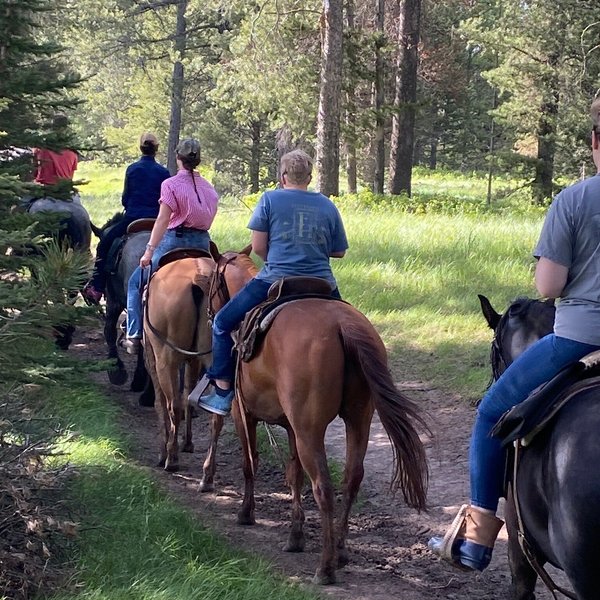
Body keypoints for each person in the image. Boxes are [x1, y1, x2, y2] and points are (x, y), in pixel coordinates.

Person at [428, 97, 600, 572]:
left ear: (593, 142)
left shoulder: (575, 200)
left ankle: (479, 537)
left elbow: (548, 287)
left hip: (578, 340)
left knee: (490, 412)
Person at [197, 148, 349, 416]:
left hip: (275, 280)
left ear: (283, 176)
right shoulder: (327, 204)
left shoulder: (269, 200)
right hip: (321, 282)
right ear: (310, 177)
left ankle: (222, 392)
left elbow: (258, 248)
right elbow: (339, 251)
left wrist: (279, 257)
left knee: (221, 323)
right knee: (348, 329)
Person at [121, 138, 219, 354]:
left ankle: (134, 333)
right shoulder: (210, 189)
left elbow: (163, 219)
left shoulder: (170, 184)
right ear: (198, 160)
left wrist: (148, 251)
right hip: (203, 242)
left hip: (175, 240)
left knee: (136, 282)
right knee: (219, 286)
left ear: (178, 158)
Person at [82, 133, 170, 304]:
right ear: (156, 149)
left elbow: (125, 198)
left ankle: (97, 287)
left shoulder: (132, 169)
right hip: (156, 221)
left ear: (141, 148)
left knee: (105, 243)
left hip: (132, 219)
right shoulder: (164, 172)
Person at [32, 114, 79, 197]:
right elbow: (70, 178)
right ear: (66, 129)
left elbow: (34, 172)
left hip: (44, 188)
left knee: (21, 203)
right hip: (64, 191)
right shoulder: (73, 153)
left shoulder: (40, 150)